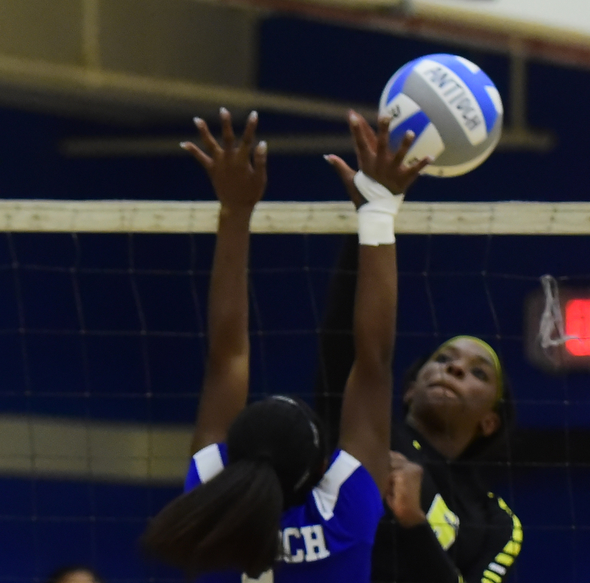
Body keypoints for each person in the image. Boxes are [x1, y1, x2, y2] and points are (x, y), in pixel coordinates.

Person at [141, 108, 429, 579]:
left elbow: (228, 356)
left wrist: (235, 211)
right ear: (321, 468)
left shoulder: (212, 508)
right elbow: (369, 358)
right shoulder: (344, 515)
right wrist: (376, 210)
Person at [314, 245, 520, 580]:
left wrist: (414, 521)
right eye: (442, 359)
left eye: (478, 373)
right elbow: (345, 337)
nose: (454, 368)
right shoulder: (368, 436)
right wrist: (370, 222)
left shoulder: (495, 520)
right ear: (410, 390)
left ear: (489, 421)